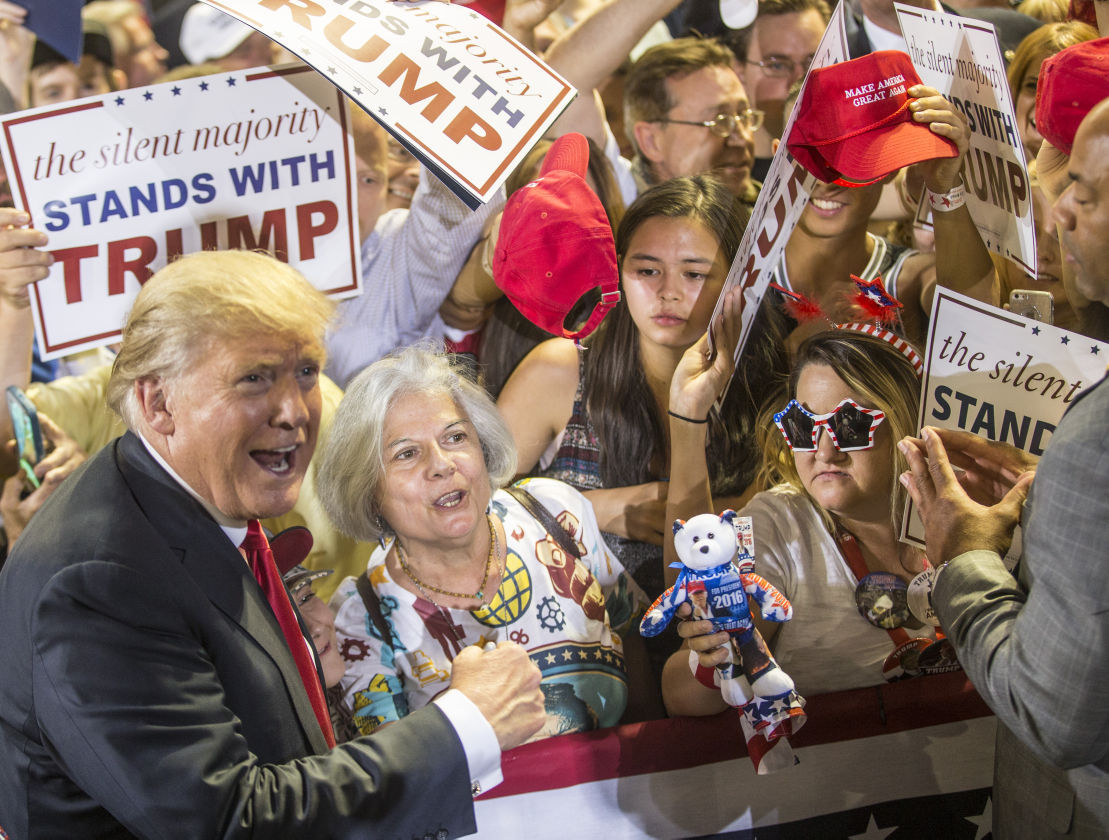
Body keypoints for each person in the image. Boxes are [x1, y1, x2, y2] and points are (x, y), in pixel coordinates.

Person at [0, 250, 546, 838]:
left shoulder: (203, 502)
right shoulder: (99, 580)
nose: (294, 411)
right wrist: (463, 724)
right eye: (255, 378)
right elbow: (232, 820)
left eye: (306, 372)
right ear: (159, 403)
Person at [900, 98, 1109, 838]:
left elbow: (1053, 715)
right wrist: (1046, 488)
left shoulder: (1096, 444)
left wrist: (965, 557)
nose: (1057, 209)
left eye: (1085, 192)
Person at [497, 176, 786, 674]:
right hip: (576, 661)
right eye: (646, 269)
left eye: (695, 274)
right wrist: (593, 508)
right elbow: (474, 513)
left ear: (741, 281)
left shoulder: (776, 385)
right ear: (618, 272)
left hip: (718, 663)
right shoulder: (562, 370)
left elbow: (771, 544)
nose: (667, 293)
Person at [316, 345, 652, 737]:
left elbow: (632, 644)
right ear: (368, 489)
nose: (442, 464)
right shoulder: (361, 619)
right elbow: (398, 779)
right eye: (406, 453)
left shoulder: (555, 513)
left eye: (455, 437)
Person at [662, 327, 942, 706]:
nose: (825, 451)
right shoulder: (776, 524)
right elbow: (684, 696)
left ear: (911, 422)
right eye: (804, 426)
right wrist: (722, 658)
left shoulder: (966, 515)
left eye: (850, 425)